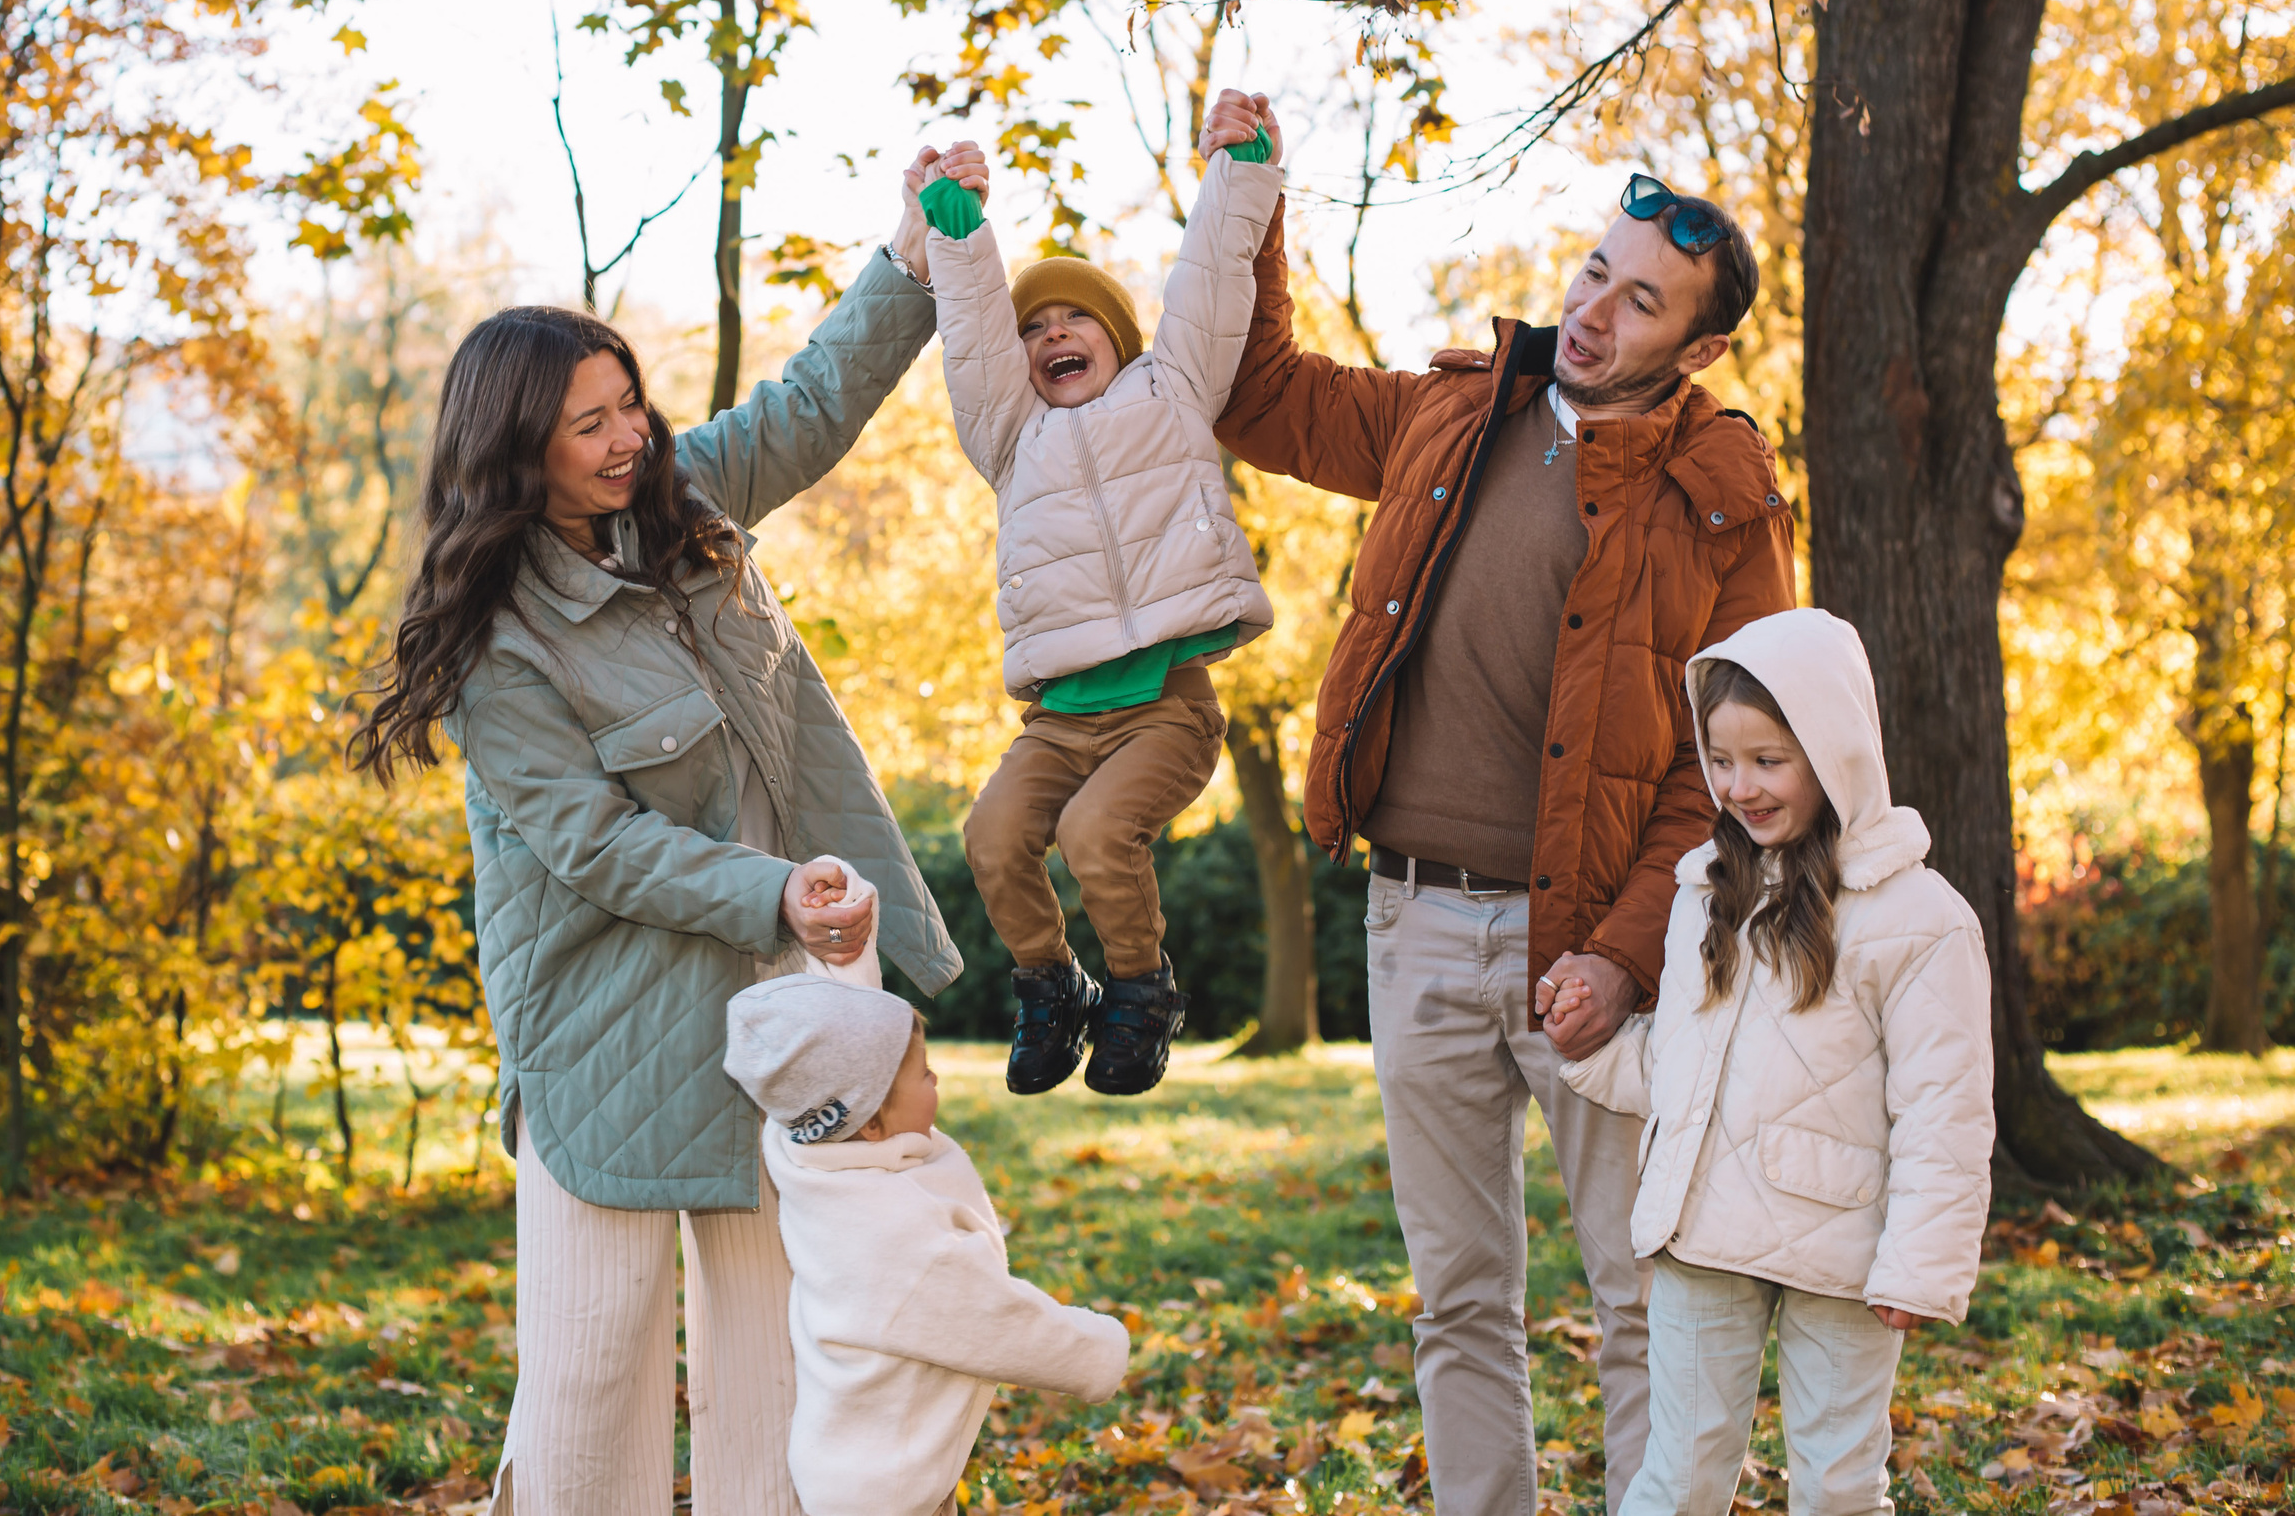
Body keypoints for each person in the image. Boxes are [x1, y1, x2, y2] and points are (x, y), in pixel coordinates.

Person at [349, 150, 982, 1516]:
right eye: (590, 422)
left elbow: (808, 407)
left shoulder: (688, 504)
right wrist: (775, 896)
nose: (627, 433)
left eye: (628, 399)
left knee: (775, 1381)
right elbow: (596, 846)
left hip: (776, 1010)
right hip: (605, 1027)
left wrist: (909, 257)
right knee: (589, 1391)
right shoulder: (501, 641)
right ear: (519, 447)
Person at [1200, 92, 1797, 1516]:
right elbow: (1256, 391)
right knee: (1458, 1297)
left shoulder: (1724, 496)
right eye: (1596, 271)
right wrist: (1250, 196)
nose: (1593, 310)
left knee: (1646, 1290)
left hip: (1593, 947)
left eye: (1640, 300)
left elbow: (1734, 777)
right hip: (1410, 922)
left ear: (1701, 346)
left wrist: (1620, 953)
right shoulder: (1454, 414)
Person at [1554, 608, 1995, 1516]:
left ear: (1834, 752)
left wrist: (1920, 1264)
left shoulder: (1922, 918)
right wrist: (1587, 1048)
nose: (1740, 786)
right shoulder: (1703, 894)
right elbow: (1677, 1063)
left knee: (1837, 1482)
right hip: (1702, 1235)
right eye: (1721, 759)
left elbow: (1945, 1111)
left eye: (1768, 760)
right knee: (1676, 1475)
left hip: (1843, 1253)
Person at [911, 115, 1280, 1096]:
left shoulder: (1173, 391)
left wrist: (1240, 171)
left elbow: (1208, 284)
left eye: (1073, 319)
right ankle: (1049, 982)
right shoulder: (1008, 434)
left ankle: (1139, 989)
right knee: (991, 836)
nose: (1051, 335)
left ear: (1115, 337)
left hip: (1166, 704)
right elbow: (974, 338)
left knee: (1094, 835)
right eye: (1034, 328)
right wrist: (957, 231)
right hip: (1059, 720)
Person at [724, 975, 1131, 1516]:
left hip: (857, 1452)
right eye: (924, 1074)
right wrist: (1097, 1350)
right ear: (869, 1124)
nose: (936, 1077)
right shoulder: (893, 1239)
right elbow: (991, 1318)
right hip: (886, 1482)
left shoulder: (807, 1157)